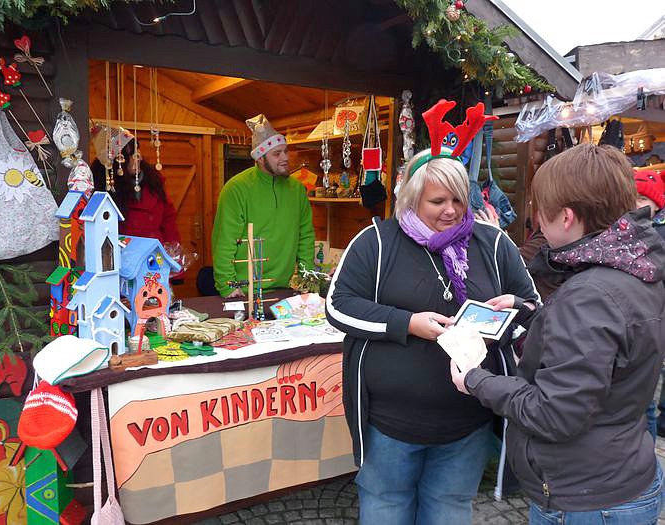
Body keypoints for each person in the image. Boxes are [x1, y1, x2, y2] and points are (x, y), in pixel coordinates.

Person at [325, 100, 540, 525]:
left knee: (449, 511)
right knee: (386, 509)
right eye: (437, 201)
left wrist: (512, 311)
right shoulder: (377, 242)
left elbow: (533, 307)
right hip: (390, 424)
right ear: (410, 199)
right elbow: (339, 305)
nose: (452, 211)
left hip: (467, 421)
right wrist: (406, 323)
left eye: (459, 199)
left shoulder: (493, 243)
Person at [450, 144, 665, 524]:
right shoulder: (635, 267)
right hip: (621, 470)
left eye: (540, 213)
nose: (537, 222)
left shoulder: (588, 296)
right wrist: (530, 312)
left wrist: (476, 380)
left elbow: (553, 413)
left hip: (585, 495)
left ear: (566, 217)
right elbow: (610, 348)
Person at [212, 114, 314, 298]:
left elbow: (305, 236)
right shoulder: (236, 189)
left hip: (284, 288)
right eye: (276, 154)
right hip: (243, 291)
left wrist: (307, 279)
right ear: (259, 158)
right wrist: (228, 285)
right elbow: (225, 241)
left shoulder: (297, 190)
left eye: (285, 151)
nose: (284, 158)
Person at [90, 124, 180, 245]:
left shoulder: (154, 181)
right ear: (117, 161)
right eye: (131, 154)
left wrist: (173, 250)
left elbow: (168, 219)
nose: (139, 157)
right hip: (125, 252)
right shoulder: (104, 190)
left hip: (157, 253)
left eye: (137, 150)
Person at [632, 169, 665, 439]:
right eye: (633, 197)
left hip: (655, 322)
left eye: (643, 199)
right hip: (637, 321)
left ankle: (649, 456)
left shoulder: (657, 236)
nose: (637, 204)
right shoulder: (629, 231)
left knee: (646, 403)